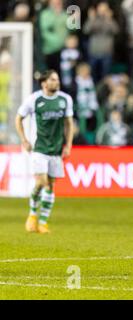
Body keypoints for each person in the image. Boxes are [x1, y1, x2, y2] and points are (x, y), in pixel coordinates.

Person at [15, 70, 74, 234]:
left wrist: (68, 144)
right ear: (44, 83)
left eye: (58, 79)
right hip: (38, 148)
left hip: (56, 149)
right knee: (42, 182)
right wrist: (24, 140)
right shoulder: (34, 99)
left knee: (51, 185)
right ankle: (33, 214)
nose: (57, 82)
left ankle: (43, 222)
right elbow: (18, 118)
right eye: (53, 80)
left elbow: (69, 123)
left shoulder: (65, 100)